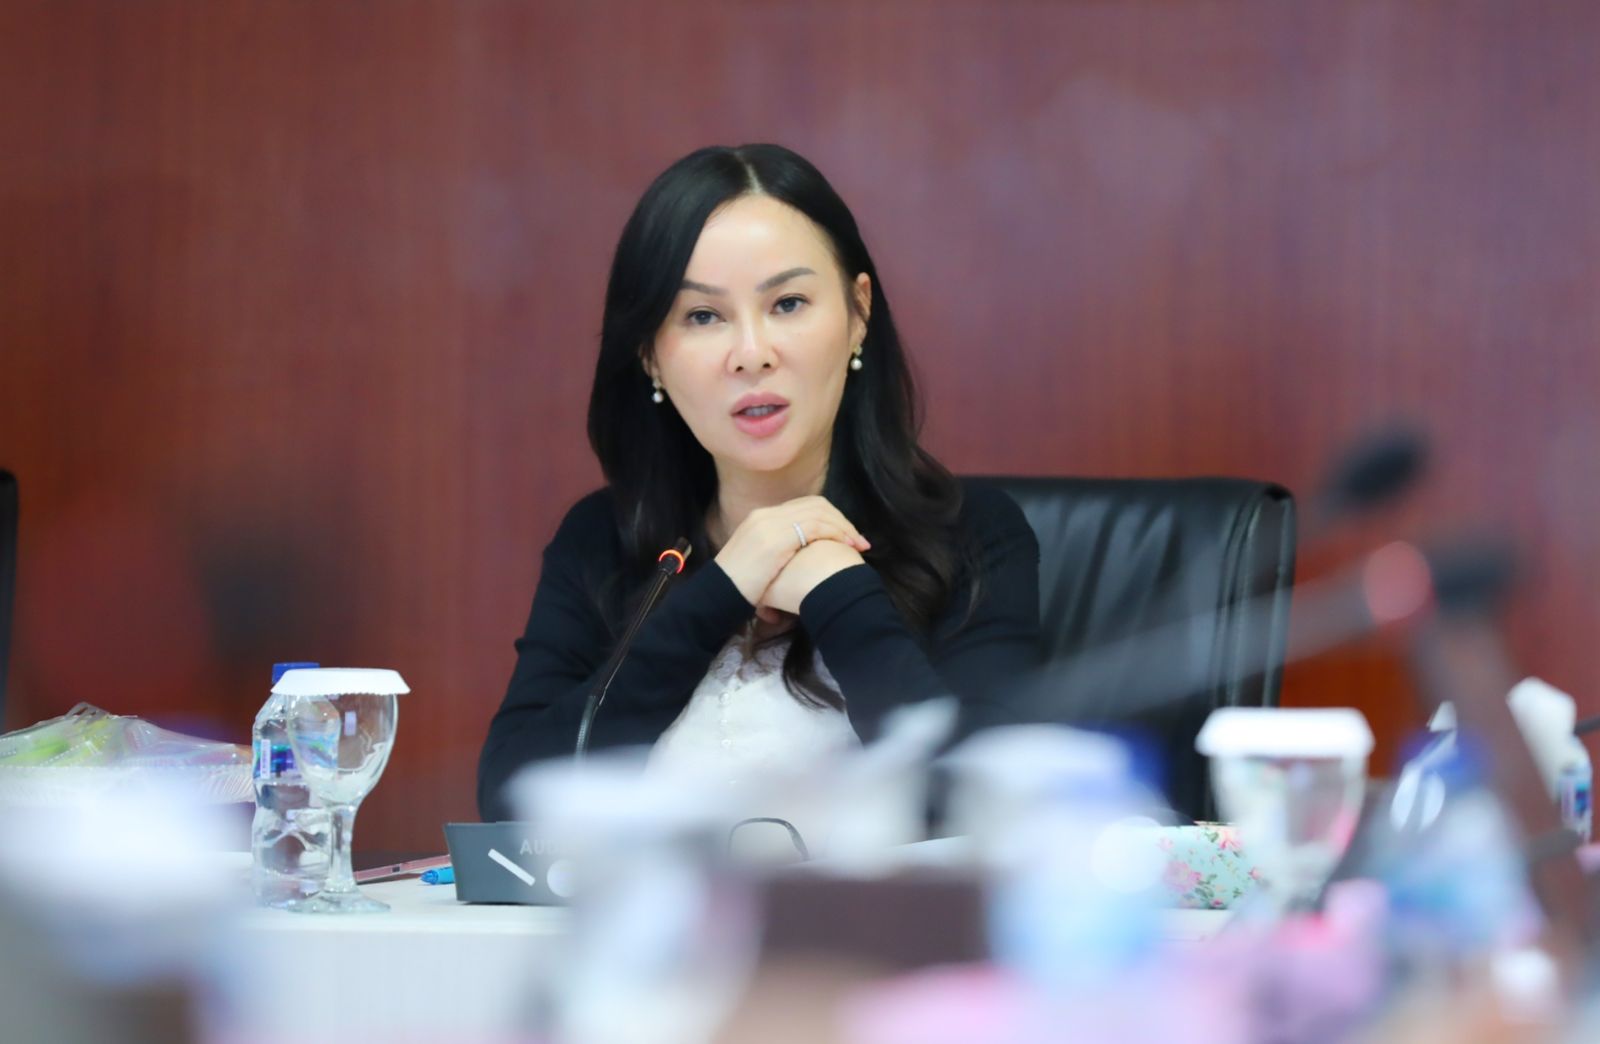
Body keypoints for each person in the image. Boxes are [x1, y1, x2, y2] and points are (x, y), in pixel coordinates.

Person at [477, 144, 1040, 823]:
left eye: (789, 303)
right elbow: (511, 804)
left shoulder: (970, 535)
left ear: (858, 313)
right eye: (703, 316)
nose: (751, 354)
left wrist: (835, 588)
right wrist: (723, 590)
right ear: (650, 355)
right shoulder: (606, 539)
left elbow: (983, 805)